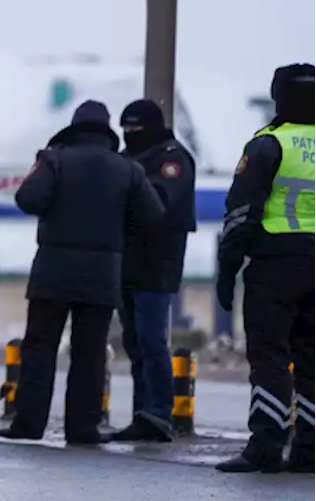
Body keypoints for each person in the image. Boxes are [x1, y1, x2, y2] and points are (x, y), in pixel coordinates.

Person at [0, 100, 165, 444]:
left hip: (52, 271)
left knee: (40, 347)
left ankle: (29, 424)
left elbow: (27, 199)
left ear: (74, 129)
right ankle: (83, 428)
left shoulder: (54, 159)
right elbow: (153, 216)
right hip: (102, 274)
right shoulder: (128, 169)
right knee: (89, 352)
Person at [214, 63, 316, 474]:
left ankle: (267, 445)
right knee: (313, 358)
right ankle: (309, 450)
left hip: (277, 265)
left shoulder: (268, 145)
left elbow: (241, 213)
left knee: (271, 356)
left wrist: (227, 267)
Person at [108, 99, 197, 443]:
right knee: (134, 341)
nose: (130, 136)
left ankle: (159, 413)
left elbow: (160, 205)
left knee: (151, 339)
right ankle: (143, 412)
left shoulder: (171, 159)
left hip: (158, 263)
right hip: (127, 262)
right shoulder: (129, 159)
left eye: (135, 130)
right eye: (125, 130)